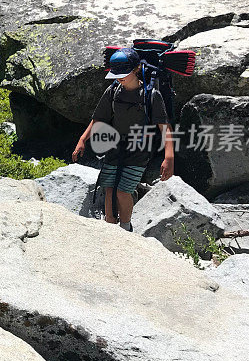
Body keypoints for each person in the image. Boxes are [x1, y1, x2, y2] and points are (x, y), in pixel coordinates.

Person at [72, 48, 174, 231]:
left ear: (136, 69)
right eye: (116, 74)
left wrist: (169, 158)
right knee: (109, 188)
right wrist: (82, 140)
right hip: (114, 147)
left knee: (123, 190)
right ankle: (110, 225)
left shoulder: (151, 95)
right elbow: (98, 119)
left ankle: (125, 228)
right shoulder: (113, 91)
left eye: (123, 74)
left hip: (139, 150)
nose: (119, 78)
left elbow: (165, 128)